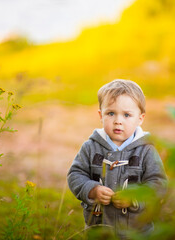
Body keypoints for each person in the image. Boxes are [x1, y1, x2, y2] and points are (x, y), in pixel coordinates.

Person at [67, 79, 167, 237]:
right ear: (101, 115)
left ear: (140, 119)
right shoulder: (90, 147)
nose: (118, 121)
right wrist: (92, 190)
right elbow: (75, 174)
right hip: (99, 229)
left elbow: (159, 184)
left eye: (127, 115)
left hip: (136, 232)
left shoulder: (146, 150)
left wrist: (134, 198)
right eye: (111, 113)